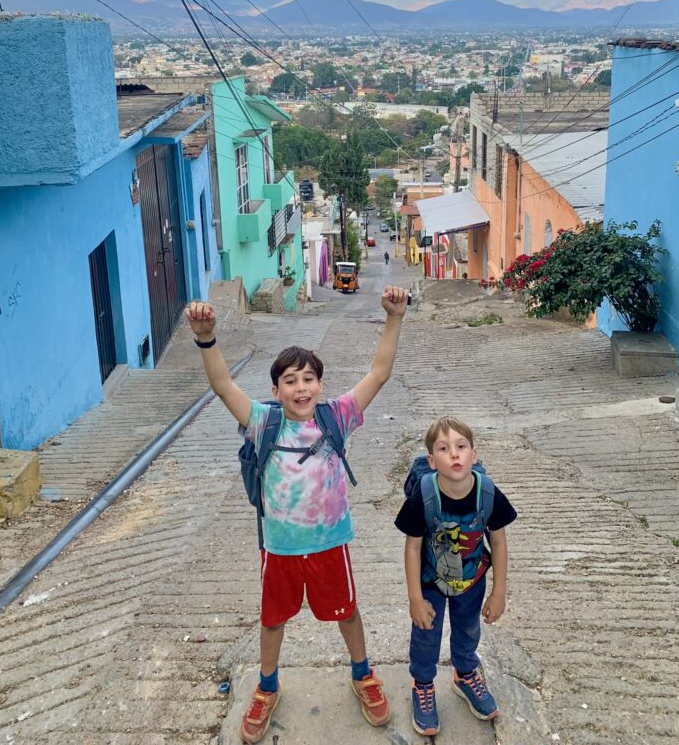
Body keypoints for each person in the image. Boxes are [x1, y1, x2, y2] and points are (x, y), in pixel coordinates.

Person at [185, 286, 409, 744]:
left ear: (320, 386)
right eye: (290, 380)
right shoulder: (262, 423)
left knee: (347, 613)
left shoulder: (336, 418)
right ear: (276, 390)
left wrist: (394, 318)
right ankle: (267, 686)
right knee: (272, 619)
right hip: (280, 548)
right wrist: (206, 339)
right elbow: (223, 386)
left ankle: (363, 674)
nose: (301, 387)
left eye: (308, 378)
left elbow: (379, 373)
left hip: (330, 545)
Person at [394, 416, 516, 737]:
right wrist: (415, 598)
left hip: (472, 581)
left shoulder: (488, 493)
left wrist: (499, 592)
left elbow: (499, 542)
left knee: (468, 628)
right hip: (430, 581)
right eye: (444, 449)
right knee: (426, 634)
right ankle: (423, 684)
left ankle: (464, 673)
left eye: (461, 446)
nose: (454, 454)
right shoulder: (424, 496)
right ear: (432, 461)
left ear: (474, 454)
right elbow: (412, 547)